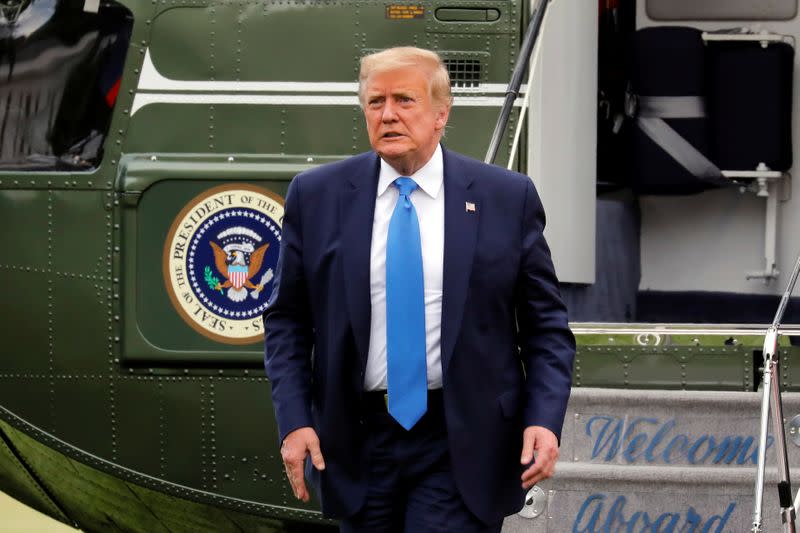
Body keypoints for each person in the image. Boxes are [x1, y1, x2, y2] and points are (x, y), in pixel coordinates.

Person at [263, 46, 575, 533]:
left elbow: (547, 329)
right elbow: (287, 320)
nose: (387, 114)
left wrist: (543, 419)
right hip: (357, 441)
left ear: (441, 114)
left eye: (404, 101)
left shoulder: (505, 198)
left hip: (461, 439)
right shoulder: (317, 196)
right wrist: (295, 421)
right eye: (375, 102)